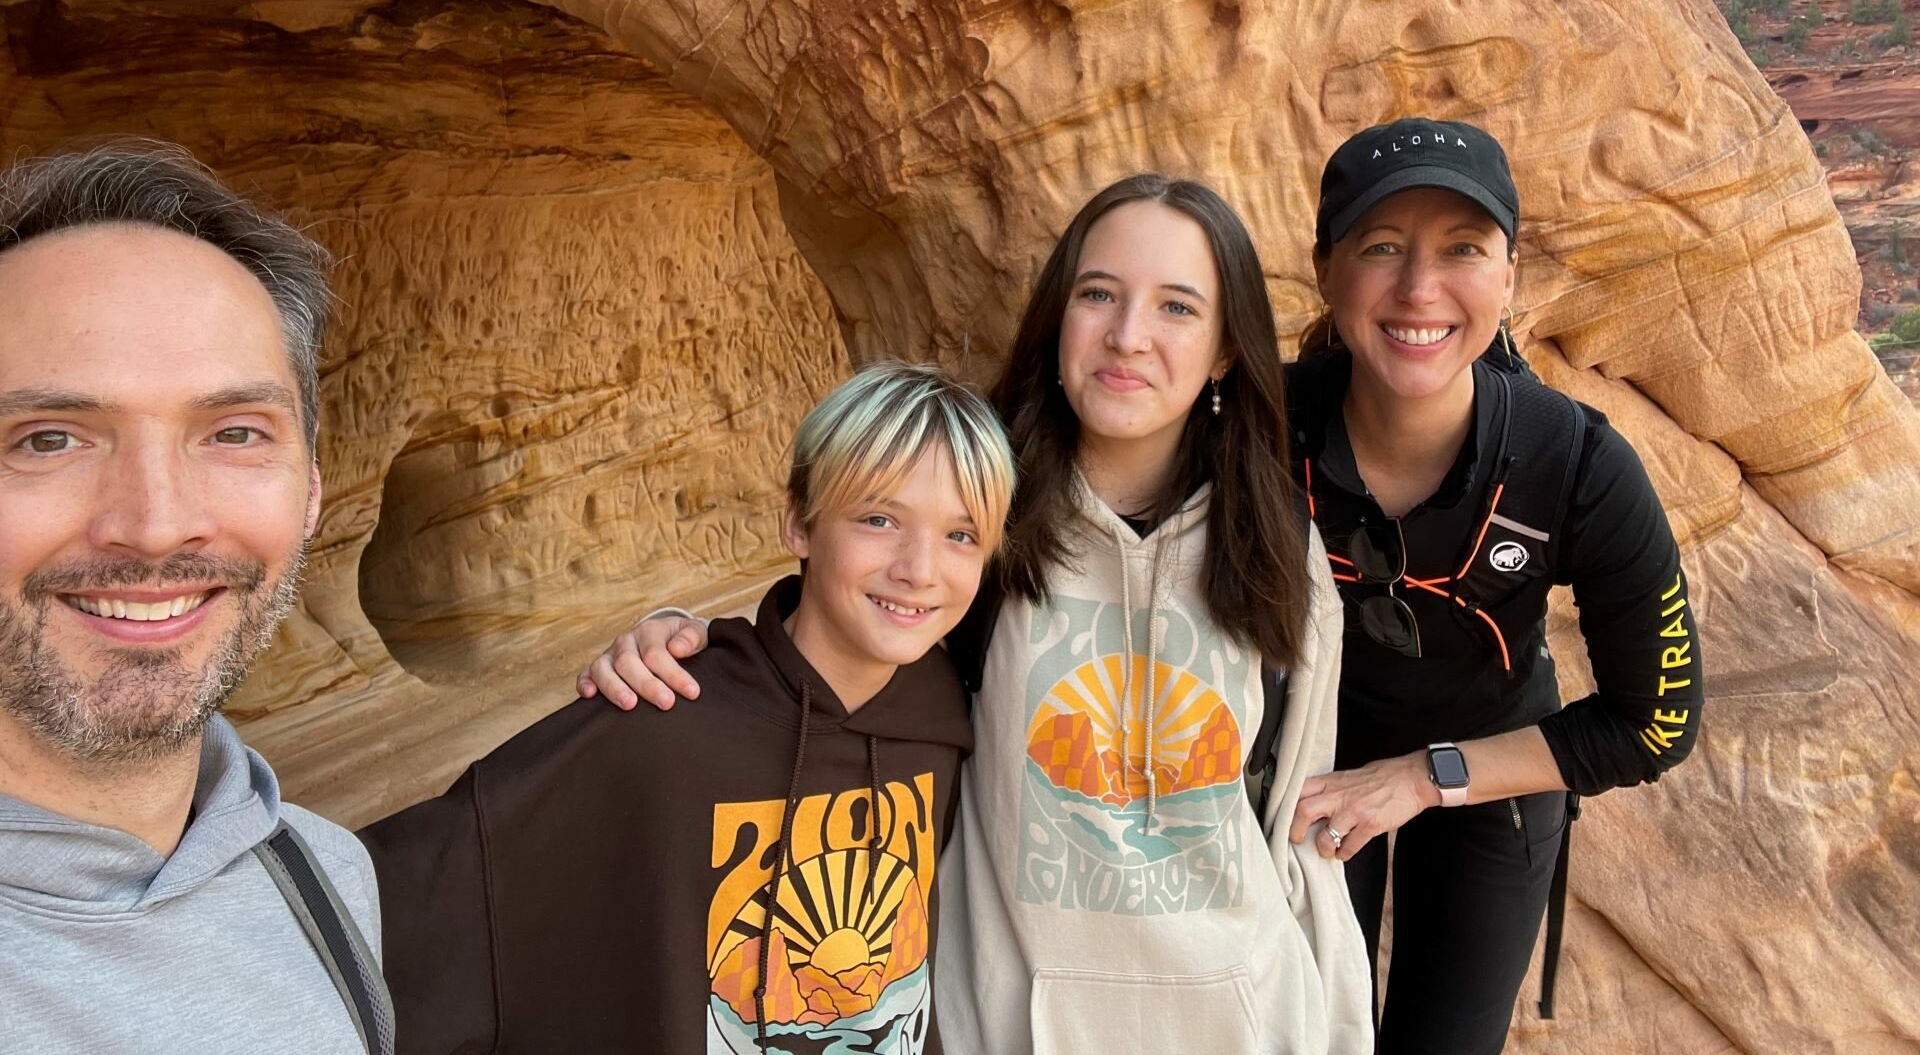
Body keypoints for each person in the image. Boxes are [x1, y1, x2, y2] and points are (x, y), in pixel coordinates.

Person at [578, 177, 1375, 1053]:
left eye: (1178, 307)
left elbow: (1299, 823)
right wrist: (681, 636)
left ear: (1227, 349)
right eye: (1097, 293)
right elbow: (843, 623)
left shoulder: (1275, 543)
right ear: (1058, 315)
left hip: (1244, 1016)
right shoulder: (982, 509)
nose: (1128, 335)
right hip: (1013, 1020)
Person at [361, 362, 1016, 1054]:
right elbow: (437, 879)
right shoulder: (666, 715)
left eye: (961, 535)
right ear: (798, 521)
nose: (919, 567)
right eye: (880, 518)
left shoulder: (948, 716)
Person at [1280, 118, 1705, 1053]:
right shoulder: (1258, 431)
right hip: (1300, 776)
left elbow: (1658, 720)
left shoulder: (1574, 463)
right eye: (1382, 246)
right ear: (1326, 269)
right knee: (1294, 1034)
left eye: (1463, 249)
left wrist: (1425, 778)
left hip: (1490, 771)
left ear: (1510, 277)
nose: (1419, 289)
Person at [0, 142, 389, 1054]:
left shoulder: (326, 879)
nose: (157, 524)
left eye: (235, 432)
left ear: (311, 493)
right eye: (49, 438)